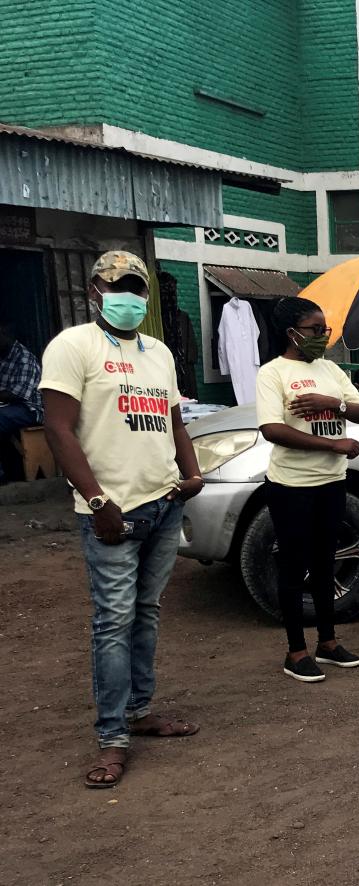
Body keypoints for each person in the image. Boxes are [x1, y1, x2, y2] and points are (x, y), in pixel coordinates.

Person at [39, 251, 204, 788]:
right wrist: (94, 500)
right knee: (113, 622)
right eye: (119, 286)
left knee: (147, 613)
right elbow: (59, 429)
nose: (130, 295)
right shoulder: (73, 346)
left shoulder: (158, 352)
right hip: (111, 510)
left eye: (138, 287)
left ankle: (138, 710)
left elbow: (174, 421)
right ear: (96, 291)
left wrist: (192, 473)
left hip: (162, 501)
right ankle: (112, 737)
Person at [256, 297, 359, 682]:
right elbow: (272, 429)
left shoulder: (331, 370)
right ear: (291, 333)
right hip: (292, 486)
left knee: (325, 564)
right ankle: (295, 651)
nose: (323, 336)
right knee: (293, 567)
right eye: (314, 329)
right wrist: (332, 445)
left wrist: (332, 403)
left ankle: (327, 642)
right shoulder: (273, 374)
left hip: (331, 483)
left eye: (325, 329)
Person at [0, 321, 43, 482]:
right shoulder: (3, 356)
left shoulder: (24, 359)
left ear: (5, 336)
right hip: (8, 407)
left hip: (30, 409)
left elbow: (17, 394)